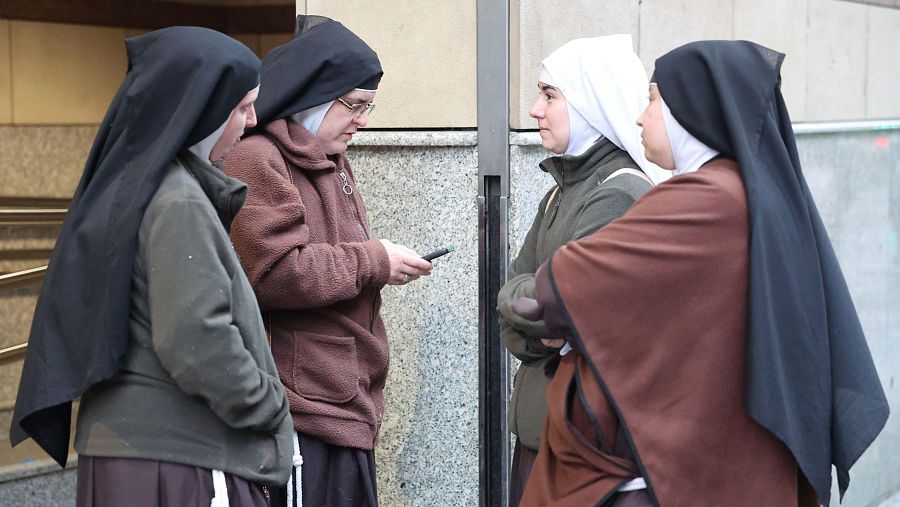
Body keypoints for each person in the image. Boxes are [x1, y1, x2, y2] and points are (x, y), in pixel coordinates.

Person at [511, 40, 889, 506]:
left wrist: (528, 298)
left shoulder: (703, 201)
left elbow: (557, 287)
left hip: (708, 460)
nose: (640, 117)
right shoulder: (746, 192)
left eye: (653, 101)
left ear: (691, 111)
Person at [10, 27, 294, 506]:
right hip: (177, 459)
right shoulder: (177, 199)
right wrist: (271, 404)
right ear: (202, 108)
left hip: (143, 456)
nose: (251, 121)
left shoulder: (138, 185)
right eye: (242, 107)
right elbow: (198, 341)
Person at [221, 15, 432, 507]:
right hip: (302, 409)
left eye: (368, 108)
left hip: (344, 400)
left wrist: (377, 259)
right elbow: (277, 272)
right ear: (312, 98)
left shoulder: (331, 157)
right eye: (354, 106)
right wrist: (375, 260)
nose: (362, 120)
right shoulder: (257, 158)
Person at [496, 35, 668, 507]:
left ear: (592, 105)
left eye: (550, 96)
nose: (535, 110)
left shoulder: (618, 194)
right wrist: (531, 326)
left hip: (580, 453)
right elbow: (511, 302)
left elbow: (562, 309)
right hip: (542, 437)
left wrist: (538, 315)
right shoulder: (558, 193)